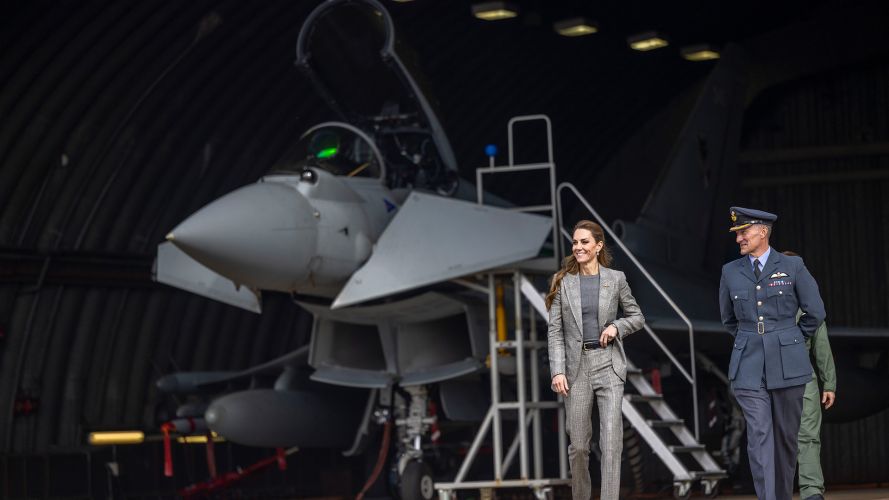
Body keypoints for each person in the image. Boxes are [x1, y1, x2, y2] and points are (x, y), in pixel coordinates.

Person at [718, 207, 826, 500]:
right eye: (737, 233)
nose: (739, 237)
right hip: (748, 368)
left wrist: (790, 339)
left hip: (789, 365)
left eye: (744, 232)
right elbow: (728, 320)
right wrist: (750, 339)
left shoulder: (793, 266)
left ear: (762, 232)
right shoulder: (730, 272)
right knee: (760, 435)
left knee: (786, 439)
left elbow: (816, 312)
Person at [547, 220, 645, 500]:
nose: (578, 247)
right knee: (578, 446)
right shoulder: (563, 283)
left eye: (584, 242)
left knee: (612, 442)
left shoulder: (616, 279)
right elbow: (555, 331)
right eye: (575, 243)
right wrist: (557, 371)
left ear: (598, 246)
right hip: (576, 369)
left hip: (608, 364)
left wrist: (617, 327)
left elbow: (637, 317)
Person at [782, 251, 837, 500]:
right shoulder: (809, 307)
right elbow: (822, 348)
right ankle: (810, 492)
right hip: (798, 379)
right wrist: (830, 384)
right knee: (805, 438)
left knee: (792, 438)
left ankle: (797, 491)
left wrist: (830, 384)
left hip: (787, 380)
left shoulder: (767, 306)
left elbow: (822, 346)